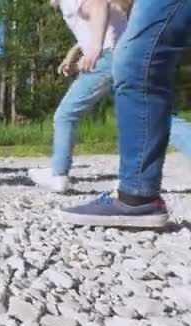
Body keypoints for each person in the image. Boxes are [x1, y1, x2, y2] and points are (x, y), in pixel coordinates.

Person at [60, 0, 191, 228]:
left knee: (135, 63)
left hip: (109, 52)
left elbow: (100, 4)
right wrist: (76, 49)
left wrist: (94, 48)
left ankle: (137, 198)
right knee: (138, 78)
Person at [28, 0, 129, 192]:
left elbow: (99, 6)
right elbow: (101, 19)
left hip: (107, 58)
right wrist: (73, 52)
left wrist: (95, 49)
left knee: (65, 115)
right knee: (157, 116)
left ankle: (58, 175)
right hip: (128, 55)